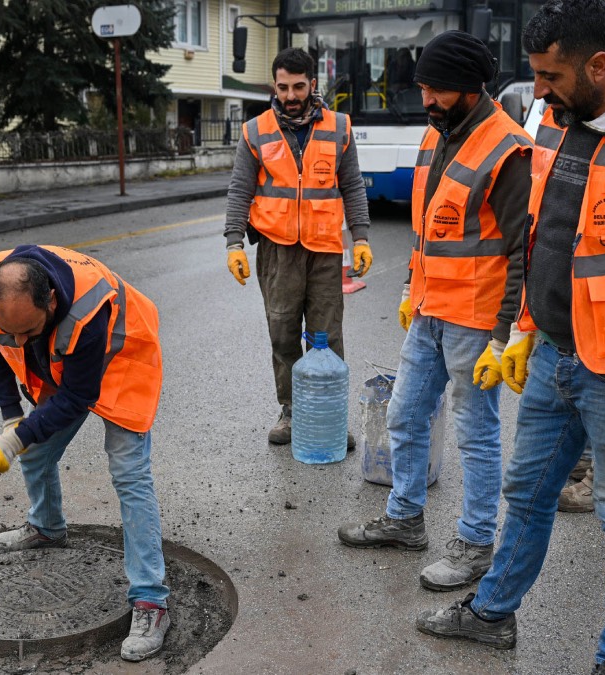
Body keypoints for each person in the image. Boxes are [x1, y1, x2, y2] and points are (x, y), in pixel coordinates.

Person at [415, 2, 605, 673]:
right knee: (525, 492)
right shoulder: (559, 121)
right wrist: (517, 329)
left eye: (551, 75)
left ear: (598, 64)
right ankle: (493, 612)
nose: (541, 89)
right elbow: (545, 239)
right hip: (556, 351)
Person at [336, 31, 532, 592]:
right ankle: (405, 520)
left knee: (476, 435)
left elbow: (524, 251)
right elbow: (427, 228)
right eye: (424, 88)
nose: (427, 100)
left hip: (476, 320)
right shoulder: (435, 136)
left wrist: (505, 333)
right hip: (428, 311)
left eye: (438, 90)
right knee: (404, 414)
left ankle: (475, 545)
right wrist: (407, 286)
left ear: (472, 90)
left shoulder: (508, 149)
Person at [0, 244, 171, 662]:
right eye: (10, 331)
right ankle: (46, 528)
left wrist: (16, 438)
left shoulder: (86, 317)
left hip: (123, 354)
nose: (16, 340)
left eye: (26, 331)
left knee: (129, 474)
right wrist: (10, 419)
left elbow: (77, 396)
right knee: (36, 453)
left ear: (51, 301)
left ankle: (151, 601)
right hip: (60, 355)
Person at [224, 47, 373, 447]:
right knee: (283, 333)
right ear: (275, 84)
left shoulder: (339, 127)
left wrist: (360, 237)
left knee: (327, 335)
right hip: (276, 249)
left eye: (298, 86)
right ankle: (290, 411)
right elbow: (240, 191)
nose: (290, 95)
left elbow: (353, 186)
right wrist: (233, 243)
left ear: (312, 84)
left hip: (325, 248)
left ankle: (330, 416)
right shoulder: (255, 131)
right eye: (283, 86)